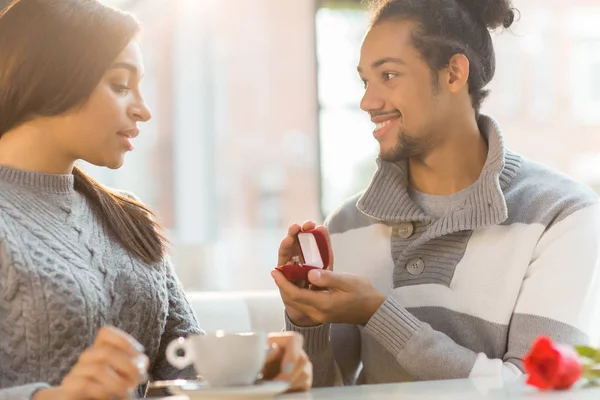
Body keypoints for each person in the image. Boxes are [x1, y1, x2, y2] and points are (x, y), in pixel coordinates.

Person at [272, 0, 600, 388]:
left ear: (454, 73)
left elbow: (538, 391)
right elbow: (324, 392)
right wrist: (306, 321)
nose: (367, 102)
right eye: (365, 82)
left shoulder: (561, 215)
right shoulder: (346, 226)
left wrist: (379, 314)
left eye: (389, 75)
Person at [0, 0, 312, 399]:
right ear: (50, 76)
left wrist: (258, 377)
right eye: (120, 85)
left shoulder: (128, 218)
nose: (144, 110)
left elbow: (182, 372)